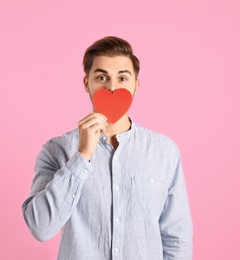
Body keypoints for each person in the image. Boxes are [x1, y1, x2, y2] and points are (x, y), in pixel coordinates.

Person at [22, 36, 193, 259]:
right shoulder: (57, 150)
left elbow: (176, 236)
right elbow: (41, 228)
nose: (112, 87)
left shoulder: (164, 151)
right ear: (87, 84)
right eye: (102, 77)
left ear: (136, 85)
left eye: (123, 78)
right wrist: (82, 156)